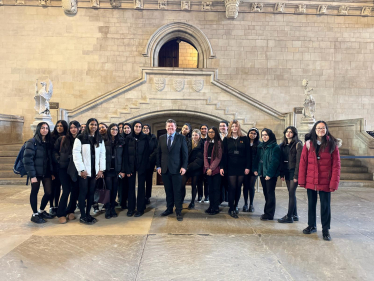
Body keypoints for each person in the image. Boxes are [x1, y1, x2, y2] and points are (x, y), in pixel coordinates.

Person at [298, 121, 341, 241]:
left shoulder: (332, 144)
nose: (320, 130)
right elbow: (303, 163)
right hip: (311, 180)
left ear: (326, 129)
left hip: (325, 181)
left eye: (323, 128)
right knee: (311, 204)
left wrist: (333, 183)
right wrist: (302, 180)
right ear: (314, 129)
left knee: (325, 206)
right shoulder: (308, 144)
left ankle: (326, 230)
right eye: (318, 128)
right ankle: (311, 225)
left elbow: (336, 166)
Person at [73, 118, 106, 225]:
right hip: (84, 172)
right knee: (83, 193)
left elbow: (102, 155)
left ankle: (88, 214)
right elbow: (76, 154)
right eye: (92, 124)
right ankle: (82, 215)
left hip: (95, 171)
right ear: (88, 125)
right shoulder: (80, 138)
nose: (94, 126)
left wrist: (101, 170)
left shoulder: (99, 138)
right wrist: (81, 169)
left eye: (95, 125)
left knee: (91, 193)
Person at [23, 122, 55, 224]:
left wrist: (52, 172)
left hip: (46, 172)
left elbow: (50, 159)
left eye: (46, 128)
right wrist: (32, 175)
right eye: (42, 128)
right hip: (35, 173)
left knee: (49, 192)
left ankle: (41, 210)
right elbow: (27, 160)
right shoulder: (31, 142)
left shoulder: (49, 142)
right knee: (34, 192)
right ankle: (34, 214)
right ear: (38, 129)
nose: (45, 130)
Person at [157, 119, 188, 221]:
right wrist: (158, 166)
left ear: (175, 127)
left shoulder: (181, 138)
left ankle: (178, 211)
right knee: (168, 191)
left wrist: (184, 166)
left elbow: (185, 154)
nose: (170, 128)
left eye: (172, 126)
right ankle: (169, 208)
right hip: (165, 169)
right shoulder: (161, 138)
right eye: (168, 126)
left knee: (177, 191)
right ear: (166, 127)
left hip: (177, 169)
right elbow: (158, 153)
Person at [220, 120, 251, 219]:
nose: (234, 128)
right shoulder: (226, 139)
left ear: (238, 127)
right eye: (232, 126)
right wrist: (222, 167)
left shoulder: (244, 138)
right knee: (232, 187)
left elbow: (248, 154)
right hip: (230, 166)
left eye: (236, 126)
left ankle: (236, 205)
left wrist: (247, 167)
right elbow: (223, 155)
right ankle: (231, 208)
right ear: (230, 128)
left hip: (241, 166)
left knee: (238, 187)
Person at [53, 121, 80, 224]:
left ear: (79, 128)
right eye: (71, 127)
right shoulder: (62, 139)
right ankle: (61, 213)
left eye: (75, 127)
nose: (73, 129)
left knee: (75, 190)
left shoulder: (81, 139)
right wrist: (59, 159)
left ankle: (70, 210)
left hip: (76, 168)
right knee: (66, 190)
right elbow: (54, 151)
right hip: (63, 168)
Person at [253, 128, 280, 221]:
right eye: (263, 135)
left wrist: (269, 174)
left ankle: (269, 214)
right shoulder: (261, 146)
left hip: (270, 174)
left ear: (270, 136)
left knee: (270, 193)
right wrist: (256, 169)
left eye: (266, 135)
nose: (264, 137)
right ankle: (267, 212)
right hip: (262, 173)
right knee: (266, 193)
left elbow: (275, 162)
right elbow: (257, 159)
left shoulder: (275, 147)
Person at [124, 121, 149, 217]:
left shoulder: (145, 138)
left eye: (139, 126)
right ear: (133, 128)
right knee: (131, 188)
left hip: (142, 166)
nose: (138, 128)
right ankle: (131, 208)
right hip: (131, 166)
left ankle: (140, 209)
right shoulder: (128, 138)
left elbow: (147, 153)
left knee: (141, 188)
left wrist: (143, 166)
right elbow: (125, 155)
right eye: (136, 126)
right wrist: (128, 169)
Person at [278, 126, 303, 223]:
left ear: (294, 134)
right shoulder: (282, 145)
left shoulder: (298, 144)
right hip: (286, 172)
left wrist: (296, 175)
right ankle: (295, 215)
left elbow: (299, 162)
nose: (288, 134)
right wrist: (282, 173)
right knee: (291, 193)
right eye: (287, 132)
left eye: (291, 132)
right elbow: (281, 161)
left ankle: (289, 216)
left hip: (294, 171)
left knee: (291, 193)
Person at [104, 123, 125, 219]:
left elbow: (123, 157)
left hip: (117, 169)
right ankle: (107, 208)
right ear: (109, 130)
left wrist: (122, 170)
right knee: (108, 190)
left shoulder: (121, 141)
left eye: (116, 129)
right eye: (113, 129)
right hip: (107, 169)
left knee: (115, 190)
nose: (114, 131)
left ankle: (113, 208)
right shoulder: (104, 140)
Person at [181, 129, 204, 209]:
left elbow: (200, 159)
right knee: (182, 184)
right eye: (193, 135)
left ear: (199, 136)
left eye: (196, 135)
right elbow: (184, 154)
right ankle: (181, 199)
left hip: (196, 168)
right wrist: (185, 165)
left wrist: (188, 167)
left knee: (194, 185)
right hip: (187, 167)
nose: (194, 137)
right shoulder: (188, 143)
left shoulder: (202, 145)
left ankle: (192, 202)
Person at [49, 120, 68, 217]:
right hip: (54, 165)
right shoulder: (51, 137)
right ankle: (52, 206)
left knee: (62, 188)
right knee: (53, 188)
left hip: (63, 167)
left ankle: (58, 205)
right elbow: (51, 152)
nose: (59, 127)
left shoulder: (67, 137)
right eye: (58, 125)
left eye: (61, 126)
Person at [204, 127, 222, 215]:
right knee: (210, 189)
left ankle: (215, 207)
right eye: (209, 132)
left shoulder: (219, 143)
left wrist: (211, 168)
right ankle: (210, 206)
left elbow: (218, 157)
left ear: (216, 133)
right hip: (208, 170)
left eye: (213, 132)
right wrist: (207, 168)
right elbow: (205, 156)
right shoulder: (206, 142)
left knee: (216, 189)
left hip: (216, 170)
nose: (211, 133)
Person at [243, 128, 260, 212]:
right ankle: (245, 203)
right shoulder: (245, 143)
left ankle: (251, 204)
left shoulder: (259, 144)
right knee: (245, 186)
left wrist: (256, 169)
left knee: (251, 186)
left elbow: (259, 158)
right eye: (251, 133)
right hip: (245, 168)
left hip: (254, 169)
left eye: (254, 133)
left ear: (257, 135)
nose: (252, 135)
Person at [143, 124, 158, 205]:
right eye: (144, 128)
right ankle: (141, 196)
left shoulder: (153, 138)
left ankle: (147, 196)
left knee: (149, 180)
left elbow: (156, 149)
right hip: (141, 163)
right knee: (141, 180)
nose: (145, 129)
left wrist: (150, 158)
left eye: (147, 128)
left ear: (149, 129)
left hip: (150, 162)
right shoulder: (140, 137)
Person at [118, 122, 132, 209]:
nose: (126, 130)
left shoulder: (132, 138)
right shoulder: (120, 138)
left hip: (130, 166)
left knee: (129, 186)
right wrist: (122, 170)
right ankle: (122, 202)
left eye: (128, 128)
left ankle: (128, 201)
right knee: (121, 186)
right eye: (125, 128)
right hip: (121, 166)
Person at [218, 120, 229, 203]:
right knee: (220, 181)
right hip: (218, 161)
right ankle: (221, 198)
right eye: (220, 126)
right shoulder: (217, 136)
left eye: (223, 126)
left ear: (227, 127)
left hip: (228, 161)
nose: (222, 127)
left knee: (228, 181)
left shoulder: (230, 136)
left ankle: (228, 198)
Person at [199, 124, 209, 203]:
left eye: (205, 129)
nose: (203, 130)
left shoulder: (209, 139)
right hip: (199, 162)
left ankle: (207, 196)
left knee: (207, 180)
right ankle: (199, 196)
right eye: (202, 129)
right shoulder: (198, 139)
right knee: (199, 180)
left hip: (207, 162)